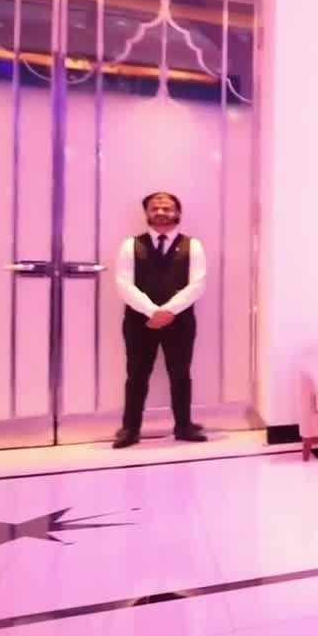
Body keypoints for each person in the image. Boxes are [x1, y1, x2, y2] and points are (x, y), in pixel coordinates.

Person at [113, 191, 207, 448]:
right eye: (155, 208)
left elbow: (197, 284)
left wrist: (168, 311)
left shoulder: (193, 246)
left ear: (178, 213)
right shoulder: (131, 245)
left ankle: (184, 426)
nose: (161, 212)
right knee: (136, 374)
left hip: (180, 321)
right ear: (146, 213)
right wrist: (152, 312)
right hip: (139, 322)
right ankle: (130, 429)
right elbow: (124, 284)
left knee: (180, 374)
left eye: (167, 208)